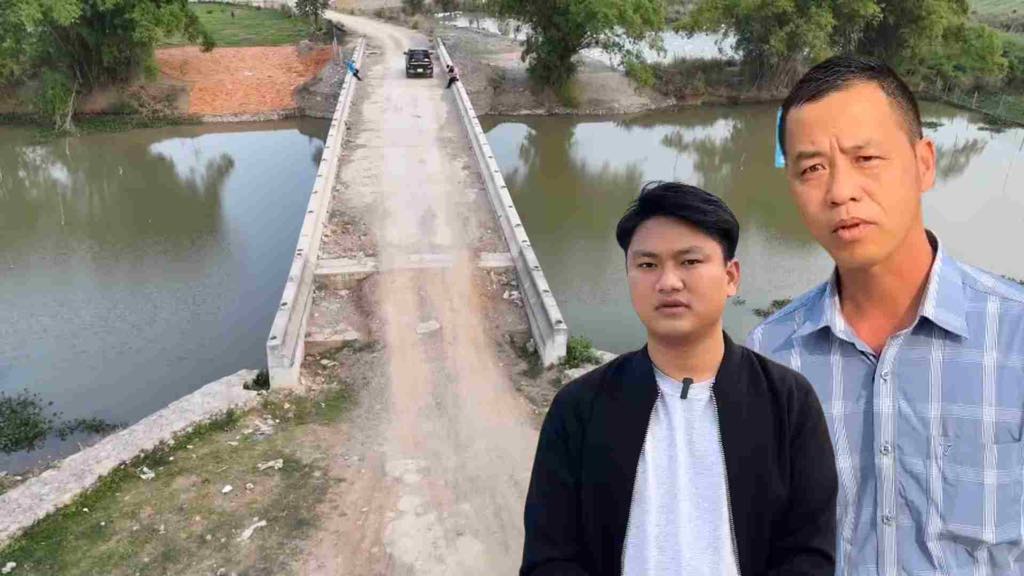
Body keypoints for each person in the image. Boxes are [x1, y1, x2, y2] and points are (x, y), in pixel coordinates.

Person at [747, 55, 1024, 575]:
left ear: (924, 163)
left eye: (866, 158)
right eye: (812, 168)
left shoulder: (1014, 339)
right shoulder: (770, 359)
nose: (839, 191)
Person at [521, 181, 838, 576]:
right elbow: (549, 558)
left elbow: (809, 553)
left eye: (689, 262)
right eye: (647, 265)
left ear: (731, 276)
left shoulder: (788, 402)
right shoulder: (580, 408)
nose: (668, 282)